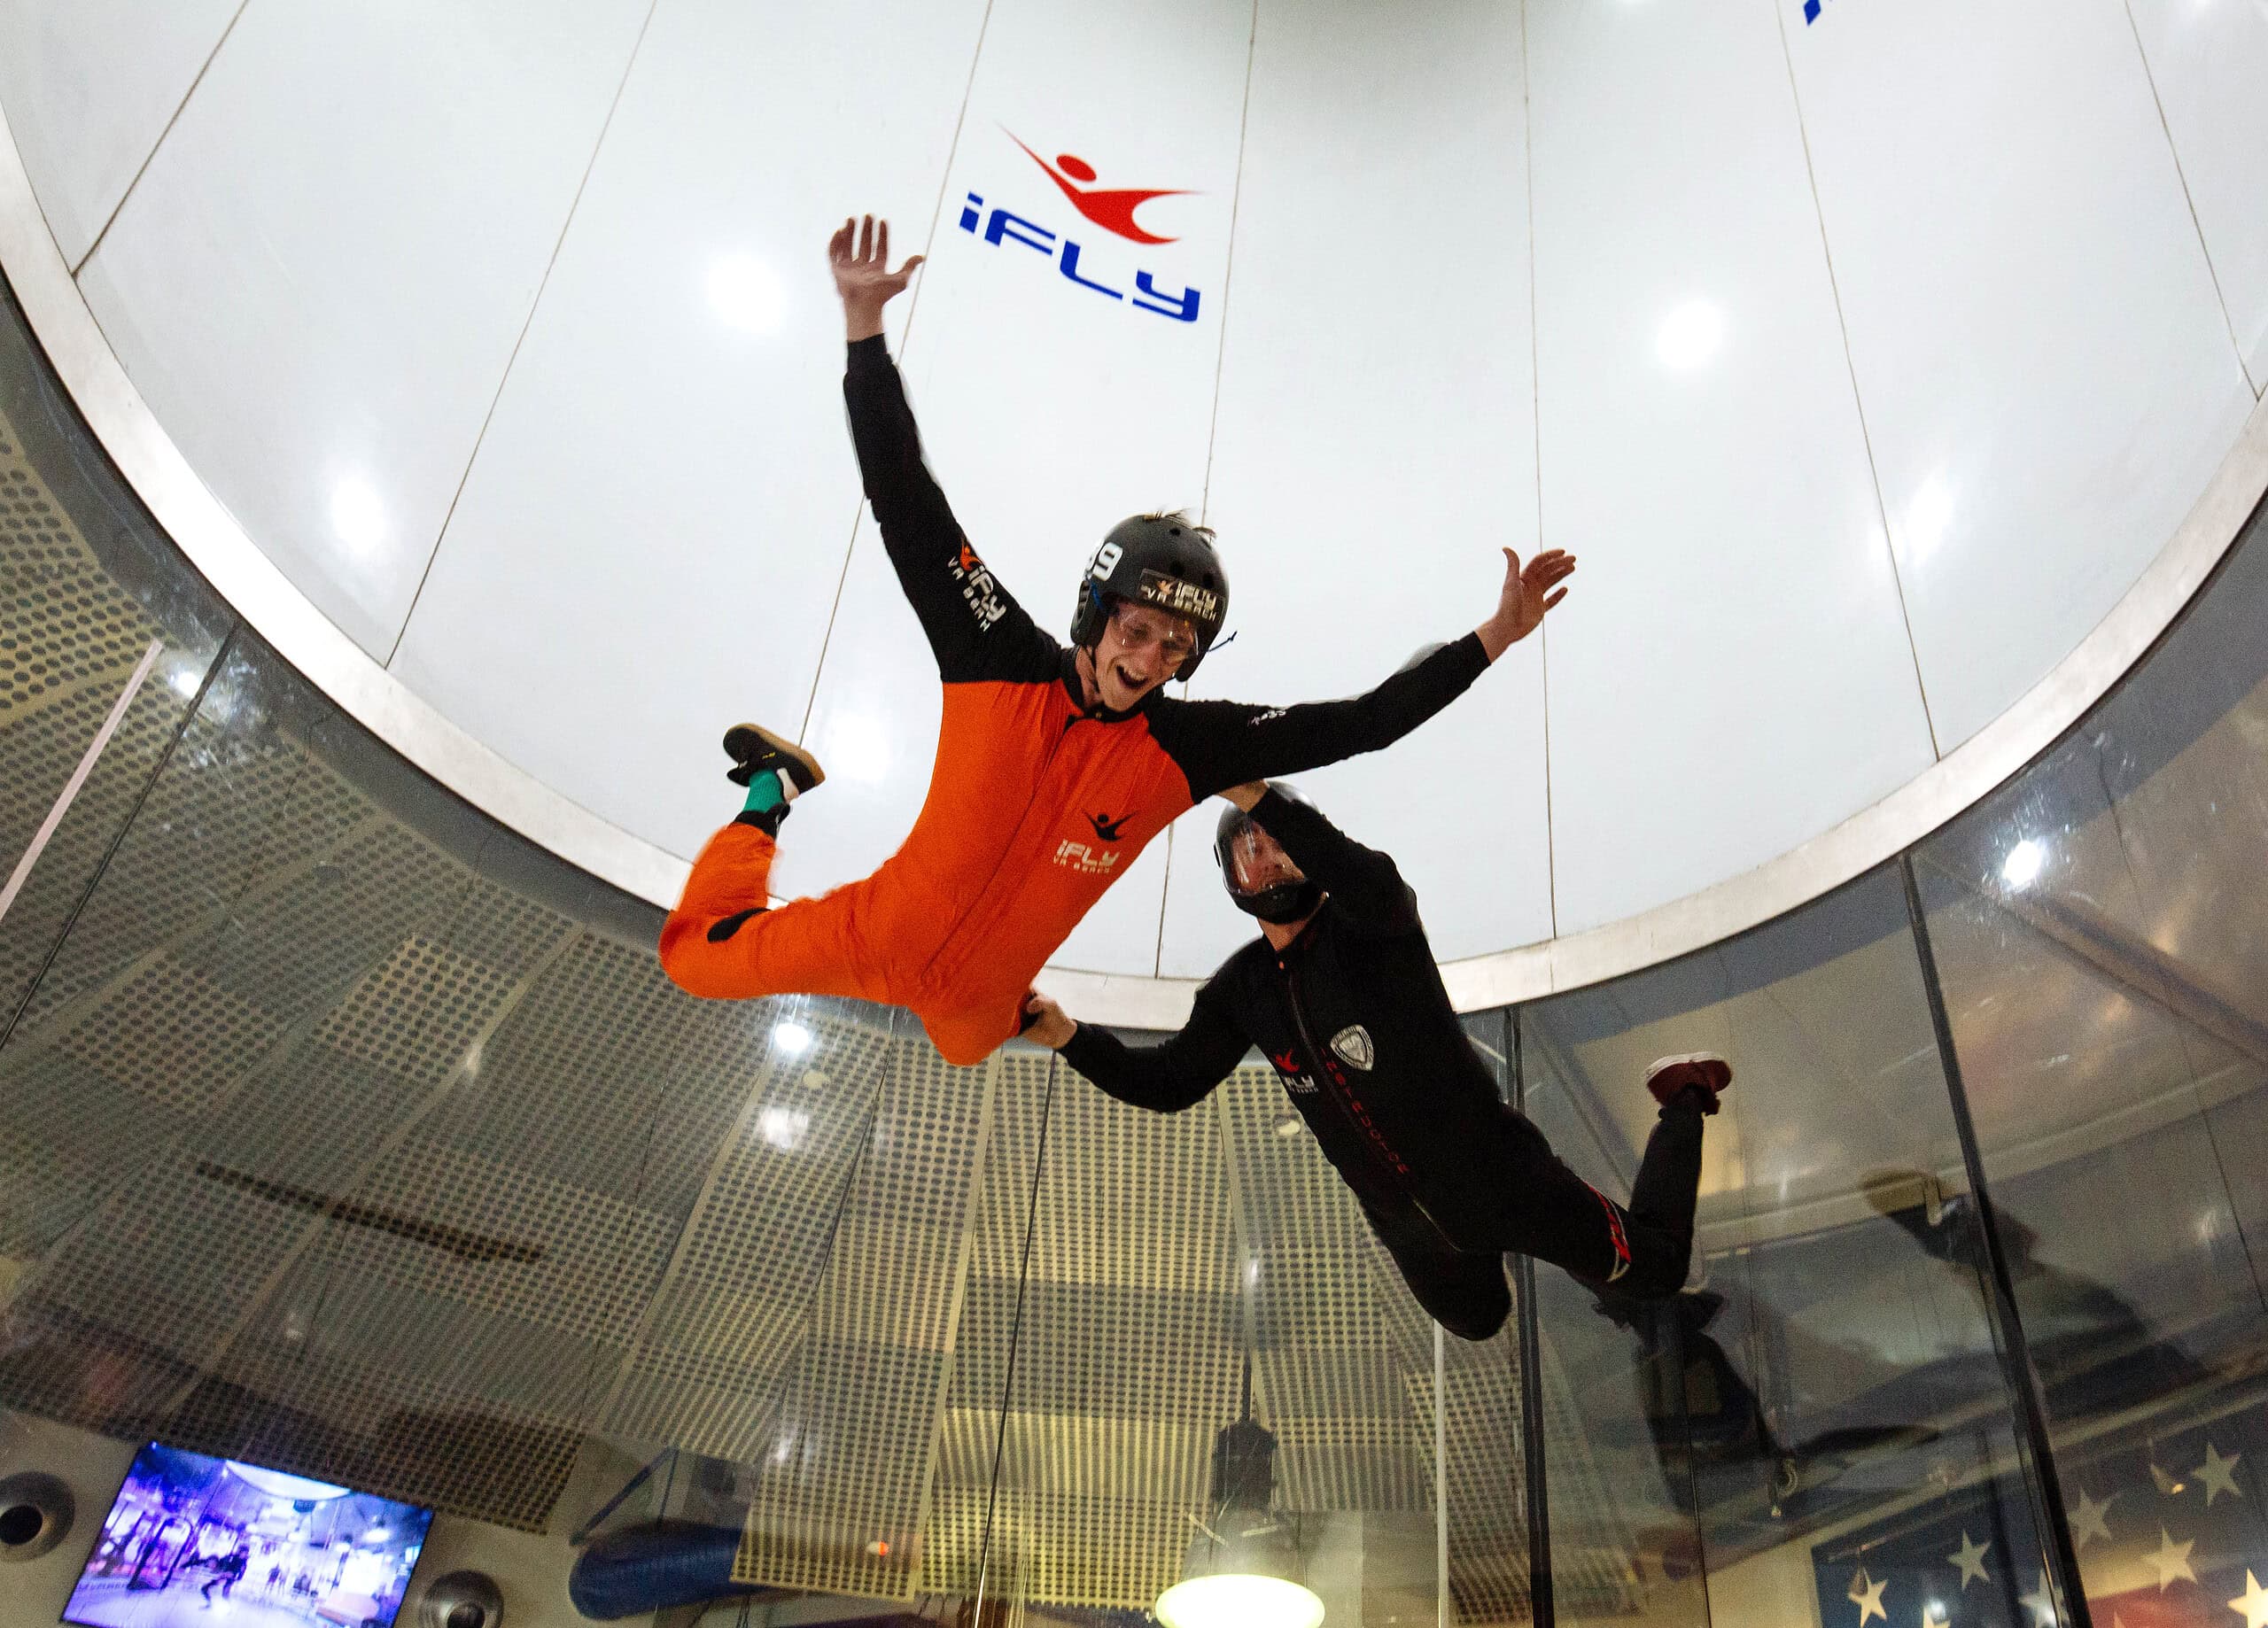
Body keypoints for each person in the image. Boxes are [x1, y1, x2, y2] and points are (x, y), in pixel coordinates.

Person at [658, 216, 1576, 1066]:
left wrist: (1492, 636)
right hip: (873, 932)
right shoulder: (997, 656)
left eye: (1177, 649)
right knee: (691, 961)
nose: (1148, 662)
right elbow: (903, 497)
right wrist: (863, 330)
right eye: (1137, 629)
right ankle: (772, 792)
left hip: (977, 995)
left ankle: (995, 1004)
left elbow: (1365, 722)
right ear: (1096, 615)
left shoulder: (1187, 746)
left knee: (964, 1045)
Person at [1021, 780, 1729, 1338]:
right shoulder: (1243, 990)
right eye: (1249, 848)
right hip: (1407, 1224)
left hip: (1504, 1178)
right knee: (1480, 1321)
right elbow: (1169, 1081)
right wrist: (1068, 1037)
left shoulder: (1370, 924)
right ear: (1230, 875)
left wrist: (1258, 796)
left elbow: (1374, 880)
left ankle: (1682, 1096)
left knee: (1658, 1270)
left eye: (1279, 840)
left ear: (1313, 849)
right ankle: (1575, 1263)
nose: (1267, 856)